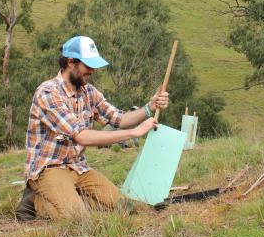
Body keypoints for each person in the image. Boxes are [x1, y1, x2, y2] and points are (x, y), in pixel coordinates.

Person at [15, 35, 169, 220]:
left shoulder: (88, 92)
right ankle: (35, 202)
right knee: (79, 220)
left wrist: (149, 107)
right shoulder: (48, 93)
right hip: (49, 168)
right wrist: (134, 133)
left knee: (125, 207)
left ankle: (67, 198)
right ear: (71, 62)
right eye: (88, 66)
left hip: (78, 167)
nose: (92, 71)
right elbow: (81, 136)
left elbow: (119, 118)